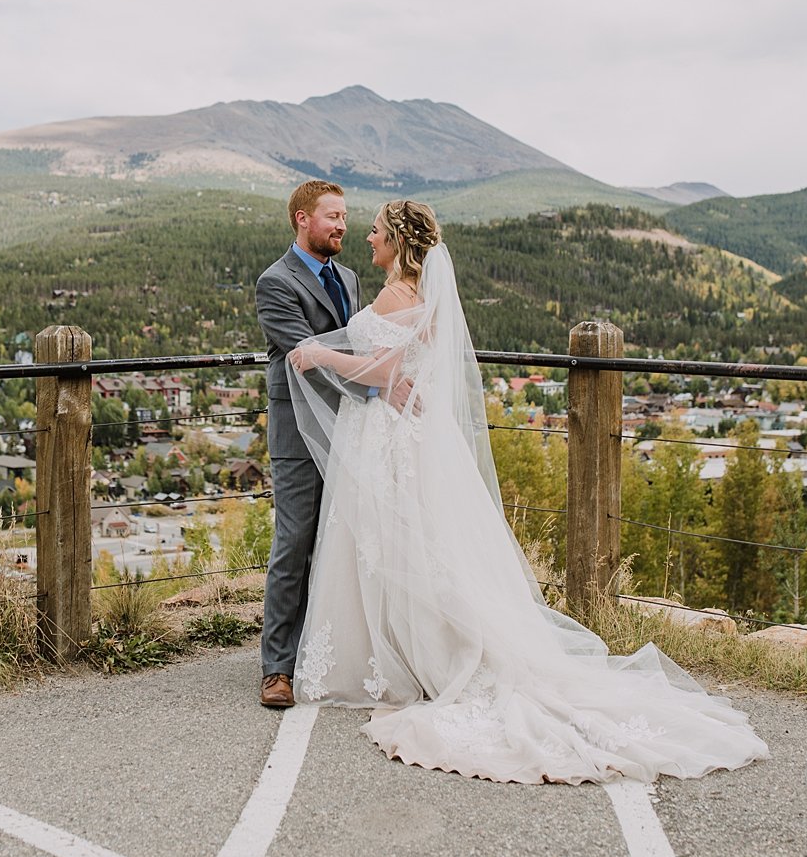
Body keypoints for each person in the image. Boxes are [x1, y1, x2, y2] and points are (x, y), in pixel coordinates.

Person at [285, 200, 769, 784]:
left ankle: (404, 660)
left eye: (377, 231)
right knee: (416, 548)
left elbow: (384, 371)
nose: (367, 238)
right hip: (408, 433)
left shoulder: (394, 296)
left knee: (395, 548)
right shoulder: (424, 299)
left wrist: (317, 353)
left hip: (391, 435)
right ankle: (410, 653)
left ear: (399, 240)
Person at [254, 180, 362, 709]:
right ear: (302, 219)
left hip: (353, 427)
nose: (342, 225)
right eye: (332, 217)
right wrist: (376, 382)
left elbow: (353, 343)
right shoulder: (275, 281)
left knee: (339, 540)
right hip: (298, 428)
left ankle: (320, 652)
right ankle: (276, 668)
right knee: (294, 541)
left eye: (344, 216)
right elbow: (304, 354)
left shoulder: (350, 277)